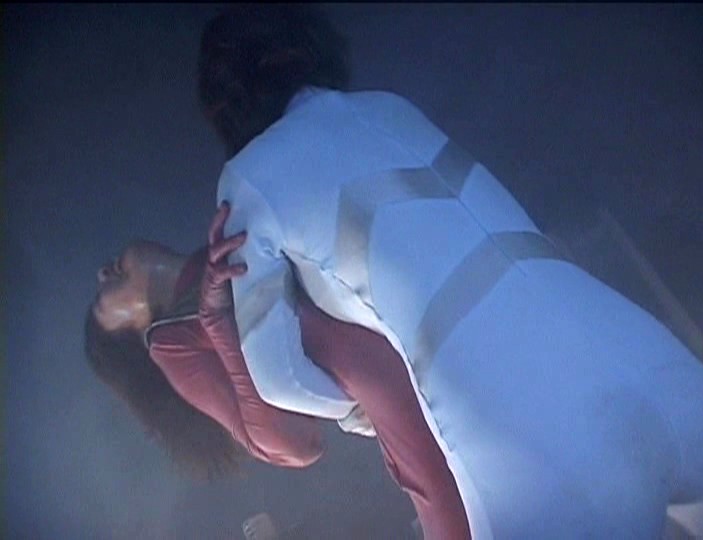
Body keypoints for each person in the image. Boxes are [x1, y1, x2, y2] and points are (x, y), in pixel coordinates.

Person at [193, 5, 703, 538]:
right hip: (640, 353)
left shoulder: (248, 179)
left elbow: (280, 381)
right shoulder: (390, 107)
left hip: (530, 432)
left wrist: (364, 408)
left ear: (224, 99)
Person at [85, 208, 470, 538]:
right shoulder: (172, 344)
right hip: (382, 377)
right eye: (101, 304)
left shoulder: (229, 230)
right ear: (133, 336)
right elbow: (294, 444)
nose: (102, 273)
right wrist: (219, 321)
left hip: (409, 308)